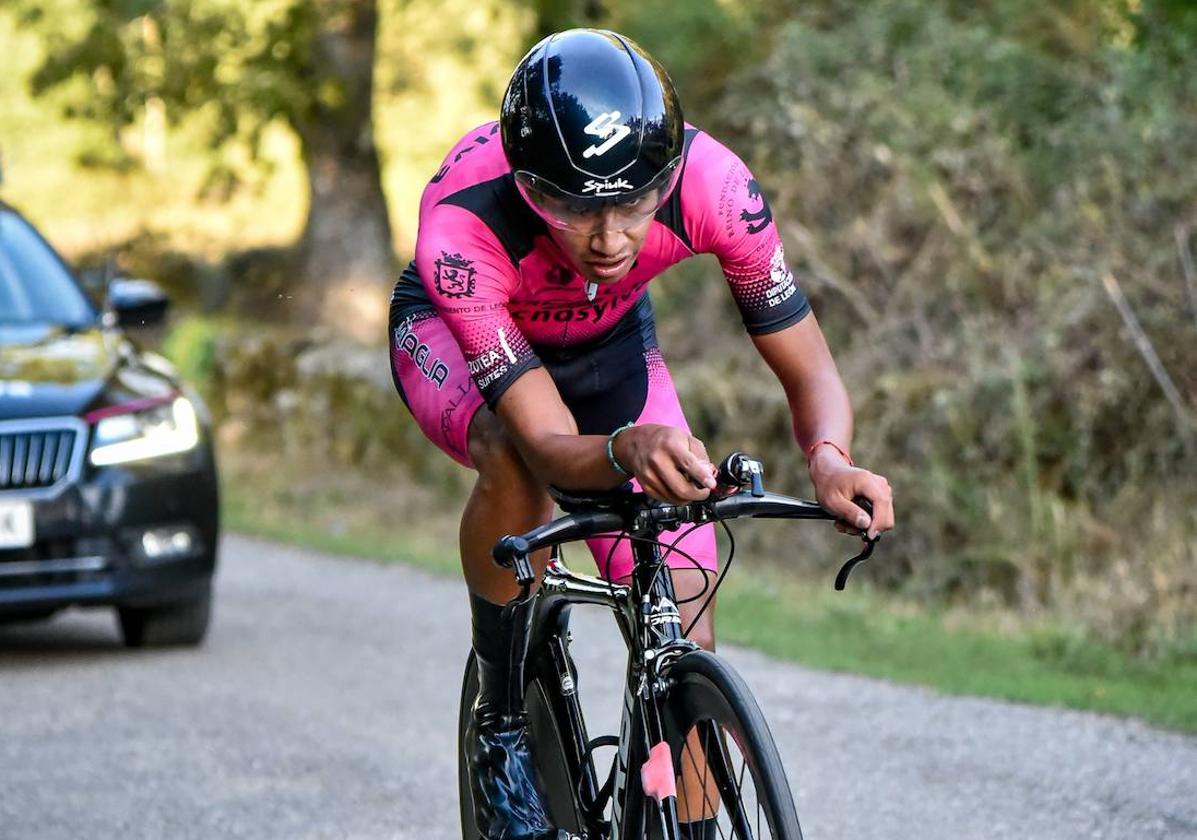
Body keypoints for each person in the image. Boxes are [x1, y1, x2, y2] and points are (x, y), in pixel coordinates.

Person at [388, 28, 895, 840]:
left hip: (610, 346)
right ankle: (502, 719)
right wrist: (626, 448)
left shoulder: (715, 186)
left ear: (669, 175)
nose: (610, 237)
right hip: (466, 349)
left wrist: (829, 461)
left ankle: (686, 817)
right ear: (526, 187)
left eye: (636, 202)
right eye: (572, 207)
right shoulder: (463, 223)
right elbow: (552, 448)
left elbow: (809, 369)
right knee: (509, 457)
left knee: (687, 582)